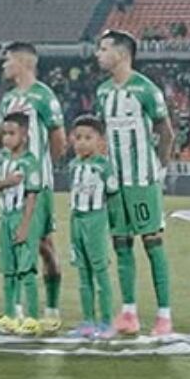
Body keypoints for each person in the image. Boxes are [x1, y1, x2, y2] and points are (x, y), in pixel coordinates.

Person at [94, 30, 175, 337]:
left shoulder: (146, 89)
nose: (98, 55)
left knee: (153, 245)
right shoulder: (103, 92)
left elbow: (166, 132)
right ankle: (129, 312)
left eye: (103, 49)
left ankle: (164, 315)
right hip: (116, 184)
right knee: (122, 246)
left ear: (122, 54)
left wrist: (161, 170)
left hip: (142, 180)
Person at [0, 41, 67, 330]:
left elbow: (58, 139)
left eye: (7, 60)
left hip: (38, 186)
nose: (4, 66)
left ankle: (51, 309)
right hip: (11, 190)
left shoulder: (43, 96)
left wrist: (40, 171)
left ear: (23, 63)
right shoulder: (7, 100)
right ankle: (14, 313)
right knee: (14, 246)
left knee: (43, 245)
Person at [0, 113, 44, 335]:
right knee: (8, 270)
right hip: (6, 216)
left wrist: (25, 225)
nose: (6, 139)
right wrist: (7, 182)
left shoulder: (30, 162)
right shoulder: (3, 159)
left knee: (26, 269)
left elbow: (32, 195)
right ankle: (11, 315)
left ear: (24, 135)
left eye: (12, 134)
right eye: (4, 134)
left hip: (23, 216)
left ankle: (32, 317)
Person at [65, 116, 118, 340]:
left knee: (100, 271)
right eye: (78, 138)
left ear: (100, 141)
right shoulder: (73, 165)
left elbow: (113, 194)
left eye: (88, 137)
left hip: (96, 219)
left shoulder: (103, 166)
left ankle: (106, 321)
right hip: (76, 219)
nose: (82, 142)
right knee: (83, 272)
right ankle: (87, 320)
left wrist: (112, 225)